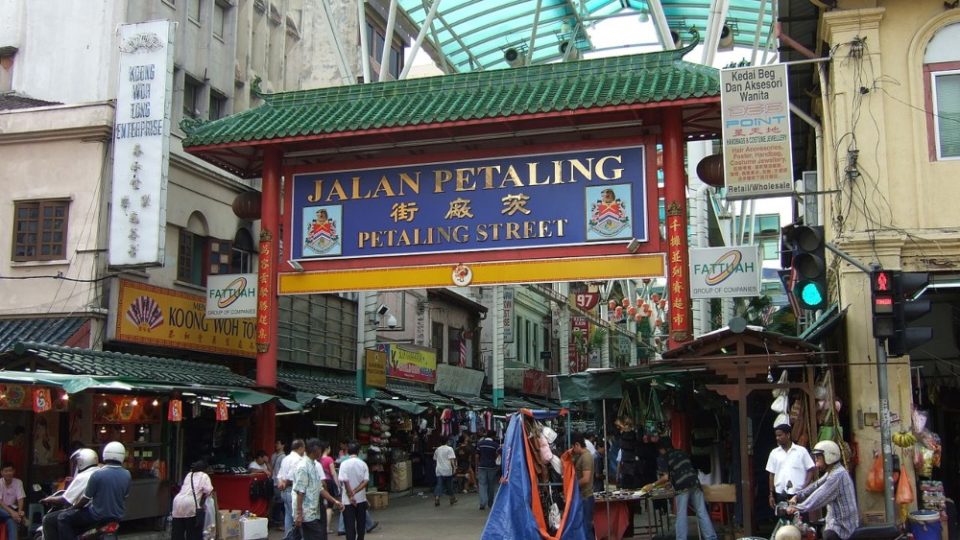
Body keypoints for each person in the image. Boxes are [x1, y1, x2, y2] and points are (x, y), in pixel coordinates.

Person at [58, 441, 131, 540]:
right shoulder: (127, 475)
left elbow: (85, 499)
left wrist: (72, 509)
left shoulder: (97, 474)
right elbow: (125, 496)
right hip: (116, 517)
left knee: (63, 518)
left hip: (96, 515)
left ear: (105, 455)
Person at [786, 440, 859, 540]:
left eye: (818, 458)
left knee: (827, 535)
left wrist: (799, 508)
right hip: (834, 522)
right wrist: (798, 496)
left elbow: (820, 495)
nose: (816, 463)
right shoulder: (832, 472)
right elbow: (816, 485)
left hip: (843, 527)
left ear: (829, 456)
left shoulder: (838, 475)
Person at [654, 438, 717, 540]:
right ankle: (711, 538)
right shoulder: (682, 453)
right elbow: (683, 469)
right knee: (702, 512)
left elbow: (665, 477)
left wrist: (652, 485)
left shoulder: (663, 457)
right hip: (695, 482)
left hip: (682, 486)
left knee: (681, 514)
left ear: (662, 449)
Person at [41, 448, 99, 540]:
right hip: (99, 512)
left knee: (49, 519)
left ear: (81, 462)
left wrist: (49, 499)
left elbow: (65, 499)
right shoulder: (100, 472)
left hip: (87, 512)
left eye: (77, 462)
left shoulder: (82, 476)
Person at [293, 439, 343, 540]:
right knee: (318, 536)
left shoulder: (313, 465)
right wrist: (299, 513)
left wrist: (334, 501)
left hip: (313, 512)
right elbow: (300, 492)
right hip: (306, 513)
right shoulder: (303, 466)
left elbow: (319, 488)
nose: (321, 453)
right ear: (315, 450)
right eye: (320, 450)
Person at [766, 424, 815, 507]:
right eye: (776, 436)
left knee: (800, 518)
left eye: (780, 435)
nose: (777, 438)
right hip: (780, 494)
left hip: (798, 494)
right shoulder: (774, 453)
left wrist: (804, 487)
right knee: (783, 519)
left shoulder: (801, 451)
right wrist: (771, 494)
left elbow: (811, 470)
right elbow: (771, 474)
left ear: (788, 435)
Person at [171, 460, 214, 540]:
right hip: (190, 504)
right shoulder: (204, 476)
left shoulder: (189, 475)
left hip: (177, 502)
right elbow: (208, 490)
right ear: (204, 469)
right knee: (193, 533)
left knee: (177, 533)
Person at [338, 442, 370, 540]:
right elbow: (365, 481)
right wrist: (355, 491)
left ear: (347, 451)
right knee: (361, 526)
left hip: (347, 501)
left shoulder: (344, 464)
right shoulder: (363, 464)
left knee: (349, 527)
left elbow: (343, 480)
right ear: (359, 451)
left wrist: (350, 494)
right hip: (361, 499)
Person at [569, 433, 595, 540]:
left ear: (577, 445)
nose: (572, 449)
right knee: (584, 526)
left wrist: (573, 486)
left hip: (586, 496)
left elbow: (586, 478)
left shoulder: (586, 457)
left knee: (586, 526)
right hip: (583, 496)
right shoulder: (581, 456)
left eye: (572, 447)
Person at [277, 439, 306, 536]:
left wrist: (281, 483)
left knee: (288, 516)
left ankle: (288, 537)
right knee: (298, 517)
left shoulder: (285, 458)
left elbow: (280, 474)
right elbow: (291, 476)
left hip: (284, 492)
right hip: (293, 491)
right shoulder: (298, 460)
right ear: (301, 448)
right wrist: (285, 483)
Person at [0, 461, 26, 540]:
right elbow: (0, 502)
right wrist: (13, 514)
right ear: (2, 473)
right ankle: (17, 517)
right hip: (2, 509)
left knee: (11, 521)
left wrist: (19, 510)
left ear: (13, 471)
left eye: (10, 470)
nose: (8, 473)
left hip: (11, 512)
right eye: (6, 471)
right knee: (13, 517)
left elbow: (20, 498)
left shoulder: (18, 482)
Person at [475, 431, 499, 511]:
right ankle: (490, 503)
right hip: (492, 467)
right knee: (491, 485)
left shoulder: (480, 444)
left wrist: (477, 465)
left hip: (481, 466)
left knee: (482, 485)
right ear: (493, 436)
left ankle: (482, 503)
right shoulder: (495, 445)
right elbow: (499, 455)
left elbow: (477, 456)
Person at [433, 439, 457, 507]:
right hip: (447, 470)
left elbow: (435, 459)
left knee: (439, 484)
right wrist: (454, 468)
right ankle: (452, 498)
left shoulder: (437, 450)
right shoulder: (450, 449)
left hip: (439, 470)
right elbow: (452, 460)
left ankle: (437, 497)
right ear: (447, 442)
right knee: (449, 485)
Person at [271, 440, 287, 529]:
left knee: (280, 502)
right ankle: (277, 521)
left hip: (279, 482)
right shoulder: (273, 456)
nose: (276, 445)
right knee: (276, 502)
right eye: (276, 443)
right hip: (273, 481)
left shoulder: (284, 457)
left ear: (283, 445)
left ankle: (280, 522)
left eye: (278, 443)